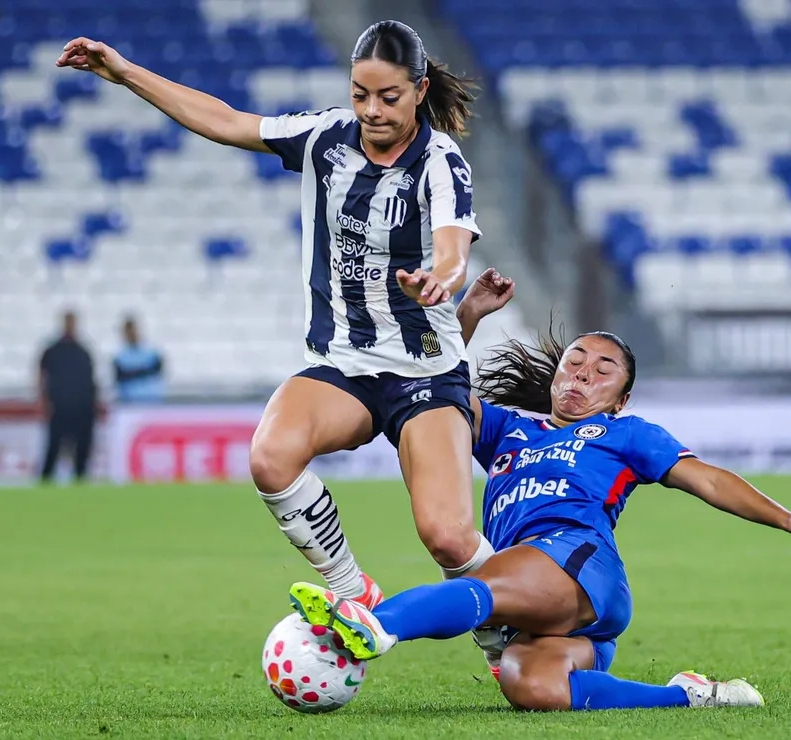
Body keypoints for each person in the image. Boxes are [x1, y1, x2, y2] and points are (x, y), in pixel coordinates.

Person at [56, 20, 499, 644]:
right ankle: (350, 589)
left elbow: (454, 248)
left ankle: (515, 623)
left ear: (420, 91)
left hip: (424, 369)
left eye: (388, 97)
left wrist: (440, 279)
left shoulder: (440, 160)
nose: (371, 110)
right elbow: (226, 120)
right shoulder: (324, 137)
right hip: (345, 364)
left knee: (448, 537)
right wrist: (126, 72)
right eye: (360, 94)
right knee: (270, 457)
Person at [287, 269, 791, 712]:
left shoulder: (624, 432)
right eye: (574, 361)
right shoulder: (510, 429)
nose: (582, 372)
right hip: (544, 598)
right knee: (531, 685)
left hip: (578, 563)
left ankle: (376, 623)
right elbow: (434, 393)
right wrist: (471, 312)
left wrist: (787, 519)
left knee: (489, 583)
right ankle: (689, 695)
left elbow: (705, 477)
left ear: (621, 398)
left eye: (602, 369)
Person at [38, 310, 99, 482]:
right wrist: (43, 401)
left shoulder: (83, 351)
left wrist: (94, 404)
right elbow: (41, 376)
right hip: (59, 406)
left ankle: (80, 480)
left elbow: (92, 380)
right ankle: (46, 481)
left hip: (82, 407)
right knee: (53, 447)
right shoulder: (52, 351)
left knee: (82, 449)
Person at [113, 316, 165, 404]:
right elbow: (120, 376)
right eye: (128, 332)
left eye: (133, 330)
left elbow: (158, 370)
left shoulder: (151, 352)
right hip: (129, 403)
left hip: (152, 400)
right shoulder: (120, 356)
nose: (132, 334)